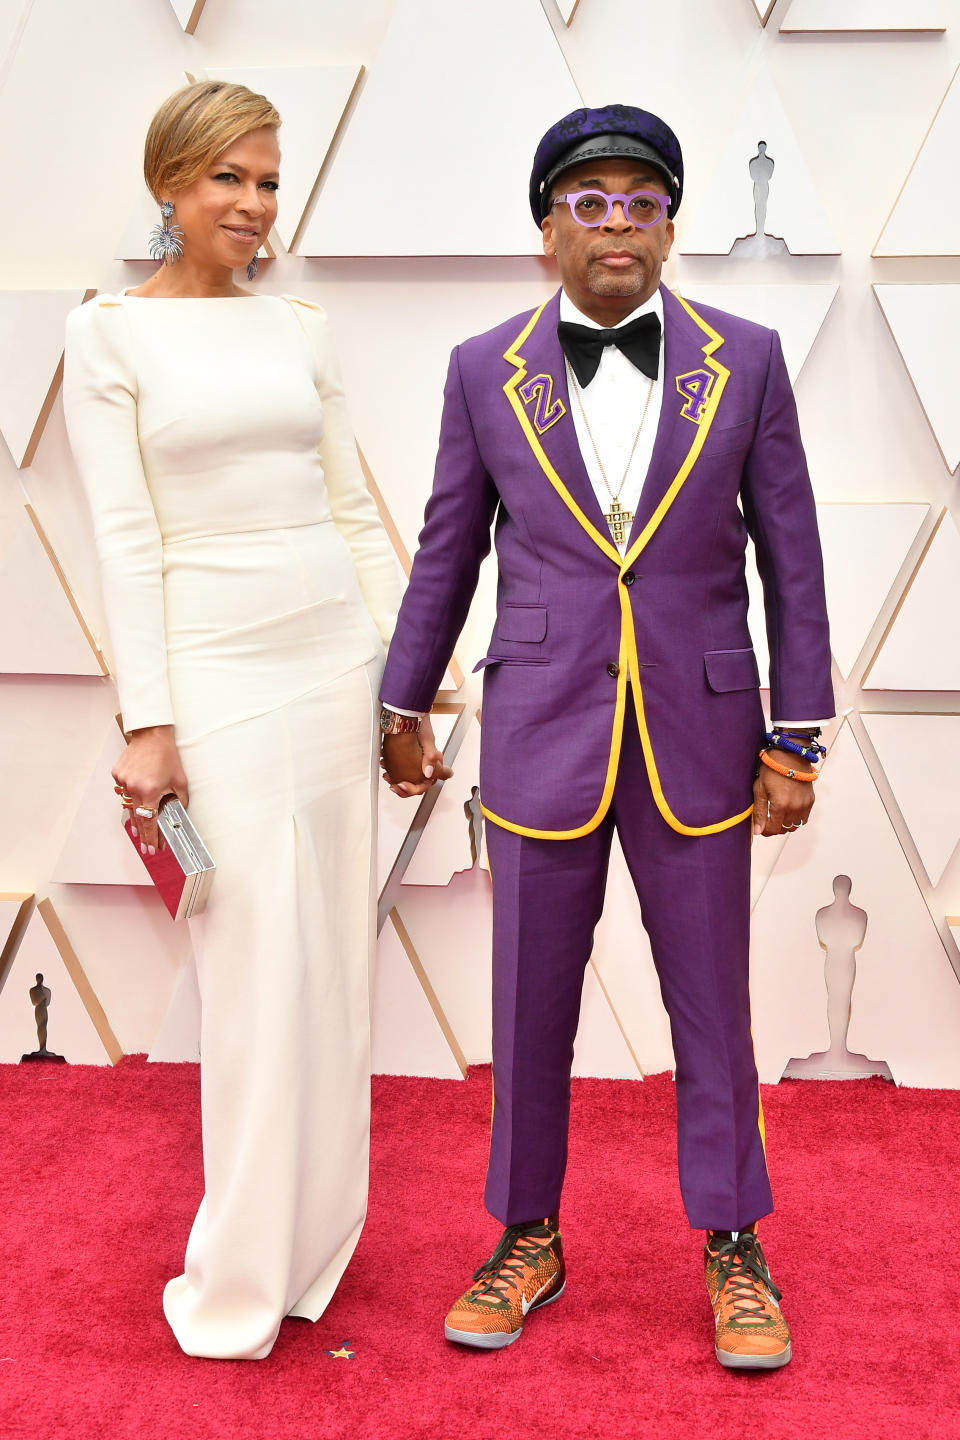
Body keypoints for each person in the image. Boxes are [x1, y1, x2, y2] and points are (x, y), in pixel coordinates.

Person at [378, 104, 834, 1370]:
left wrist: (797, 732)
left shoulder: (745, 358)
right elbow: (447, 548)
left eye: (641, 200)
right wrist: (400, 699)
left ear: (673, 225)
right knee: (527, 1006)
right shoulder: (484, 369)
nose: (617, 221)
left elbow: (791, 560)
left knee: (713, 1010)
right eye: (590, 201)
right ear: (547, 231)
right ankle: (528, 1233)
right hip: (539, 724)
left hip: (702, 731)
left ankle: (734, 1242)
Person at [62, 80, 425, 1360]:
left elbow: (347, 510)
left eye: (270, 183)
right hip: (217, 676)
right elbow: (124, 541)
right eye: (230, 180)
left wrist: (406, 683)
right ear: (170, 183)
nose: (255, 207)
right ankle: (234, 1278)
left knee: (333, 961)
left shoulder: (299, 327)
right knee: (258, 975)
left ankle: (313, 1244)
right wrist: (148, 719)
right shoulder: (109, 337)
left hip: (334, 660)